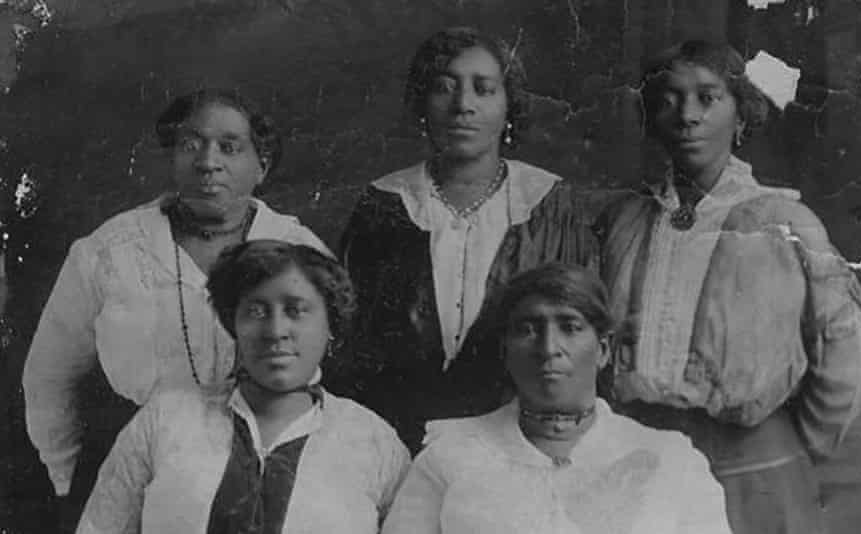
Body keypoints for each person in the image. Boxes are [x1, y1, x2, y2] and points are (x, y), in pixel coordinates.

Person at [596, 40, 861, 534]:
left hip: (752, 478)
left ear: (742, 114)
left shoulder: (785, 222)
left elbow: (850, 365)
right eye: (669, 98)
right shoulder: (624, 221)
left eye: (708, 98)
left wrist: (790, 446)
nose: (687, 115)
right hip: (638, 468)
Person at [22, 89, 330, 529]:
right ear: (171, 157)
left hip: (266, 469)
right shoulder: (109, 252)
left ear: (261, 165)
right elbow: (49, 376)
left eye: (229, 147)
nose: (208, 162)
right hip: (134, 467)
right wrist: (66, 477)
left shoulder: (299, 249)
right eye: (191, 144)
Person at [334, 26, 595, 452]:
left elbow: (579, 338)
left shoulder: (549, 204)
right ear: (423, 103)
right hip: (395, 440)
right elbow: (350, 343)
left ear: (510, 104)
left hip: (521, 442)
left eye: (484, 89)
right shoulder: (384, 205)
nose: (463, 105)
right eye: (444, 88)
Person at [77, 240, 409, 533]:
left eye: (297, 311)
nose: (276, 330)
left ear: (331, 324)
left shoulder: (373, 442)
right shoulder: (166, 421)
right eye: (256, 311)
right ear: (233, 323)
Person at [381, 263, 731, 534]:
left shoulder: (670, 459)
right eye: (528, 329)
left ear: (603, 349)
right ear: (505, 350)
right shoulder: (450, 458)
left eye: (570, 327)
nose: (549, 349)